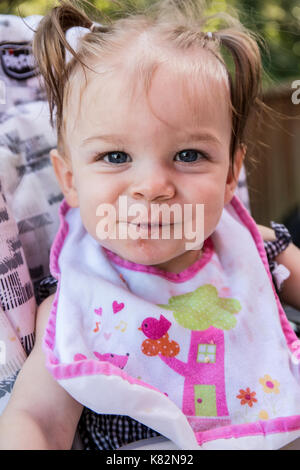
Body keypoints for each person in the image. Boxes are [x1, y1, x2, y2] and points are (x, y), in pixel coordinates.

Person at [1, 0, 300, 450]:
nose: (153, 186)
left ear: (228, 176)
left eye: (189, 155)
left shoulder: (256, 248)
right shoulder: (76, 301)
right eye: (115, 157)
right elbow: (38, 423)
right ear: (70, 181)